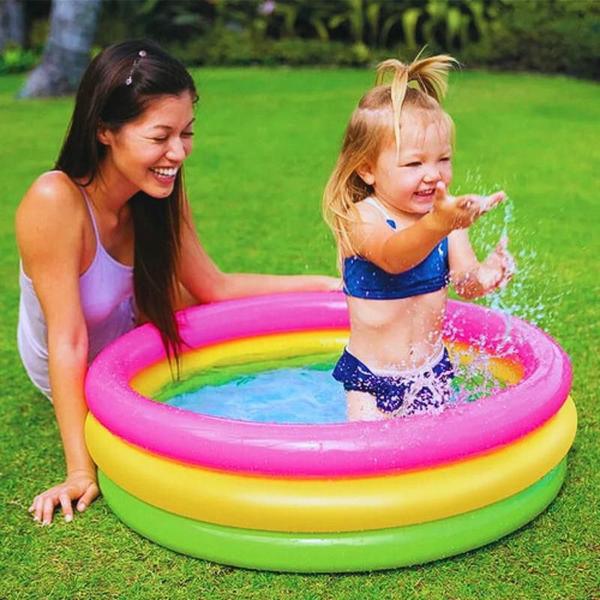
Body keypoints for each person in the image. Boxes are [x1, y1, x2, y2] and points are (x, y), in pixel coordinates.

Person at [16, 40, 337, 525]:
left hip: (131, 326)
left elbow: (216, 288)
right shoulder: (54, 201)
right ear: (105, 130)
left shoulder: (157, 191)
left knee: (193, 309)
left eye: (186, 133)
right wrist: (80, 470)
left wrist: (327, 288)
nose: (177, 152)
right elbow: (68, 339)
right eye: (160, 136)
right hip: (78, 356)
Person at [323, 54, 514, 422]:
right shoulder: (362, 217)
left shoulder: (444, 220)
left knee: (434, 463)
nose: (434, 175)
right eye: (414, 164)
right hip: (371, 379)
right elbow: (394, 256)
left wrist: (485, 275)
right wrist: (440, 223)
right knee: (370, 463)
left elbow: (464, 281)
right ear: (366, 169)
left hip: (430, 373)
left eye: (442, 159)